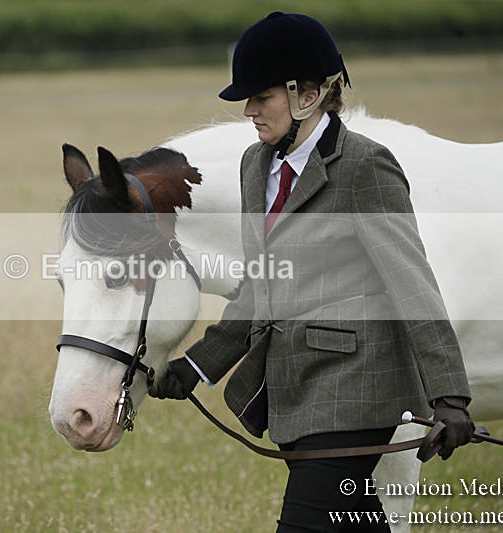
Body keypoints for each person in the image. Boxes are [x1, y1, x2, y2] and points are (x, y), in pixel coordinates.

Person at [149, 12, 475, 532]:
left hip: (356, 389)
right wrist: (199, 366)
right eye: (248, 100)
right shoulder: (255, 166)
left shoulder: (365, 166)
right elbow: (259, 283)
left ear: (309, 95)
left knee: (302, 524)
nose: (250, 111)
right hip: (293, 391)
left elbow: (413, 283)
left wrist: (450, 396)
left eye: (262, 97)